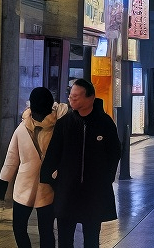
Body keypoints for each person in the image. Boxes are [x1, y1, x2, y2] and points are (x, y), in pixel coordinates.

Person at [40, 77, 119, 248]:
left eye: (75, 97)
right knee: (65, 239)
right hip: (67, 193)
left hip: (93, 194)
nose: (71, 99)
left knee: (91, 239)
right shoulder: (64, 123)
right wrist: (54, 181)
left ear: (90, 98)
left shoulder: (105, 123)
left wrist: (106, 179)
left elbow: (114, 153)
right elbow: (53, 155)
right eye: (70, 96)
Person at [0, 87, 59, 248]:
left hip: (45, 185)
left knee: (40, 229)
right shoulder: (25, 127)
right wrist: (3, 181)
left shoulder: (56, 128)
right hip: (30, 185)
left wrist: (2, 184)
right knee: (32, 228)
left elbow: (11, 158)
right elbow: (12, 157)